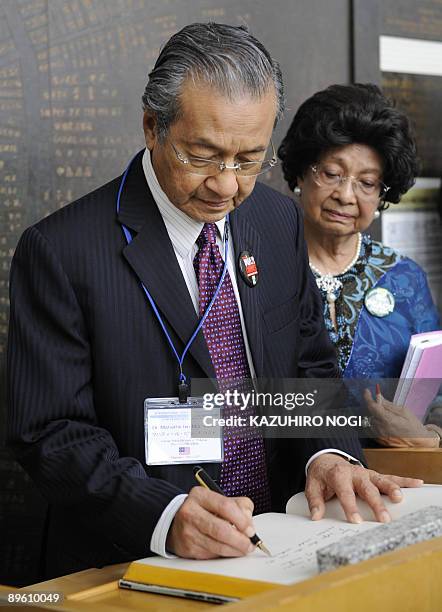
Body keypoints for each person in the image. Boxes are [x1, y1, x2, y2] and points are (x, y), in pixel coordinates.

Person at [7, 26, 420, 579]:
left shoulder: (276, 222)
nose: (226, 186)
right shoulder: (62, 251)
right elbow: (51, 432)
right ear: (153, 126)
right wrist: (164, 514)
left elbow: (309, 364)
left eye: (250, 159)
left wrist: (328, 454)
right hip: (134, 565)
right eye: (203, 155)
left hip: (278, 549)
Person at [278, 83, 441, 447]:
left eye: (367, 183)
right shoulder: (262, 269)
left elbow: (439, 393)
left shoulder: (404, 278)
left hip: (395, 480)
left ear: (383, 194)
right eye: (332, 174)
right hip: (289, 484)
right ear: (303, 173)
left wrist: (428, 437)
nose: (346, 195)